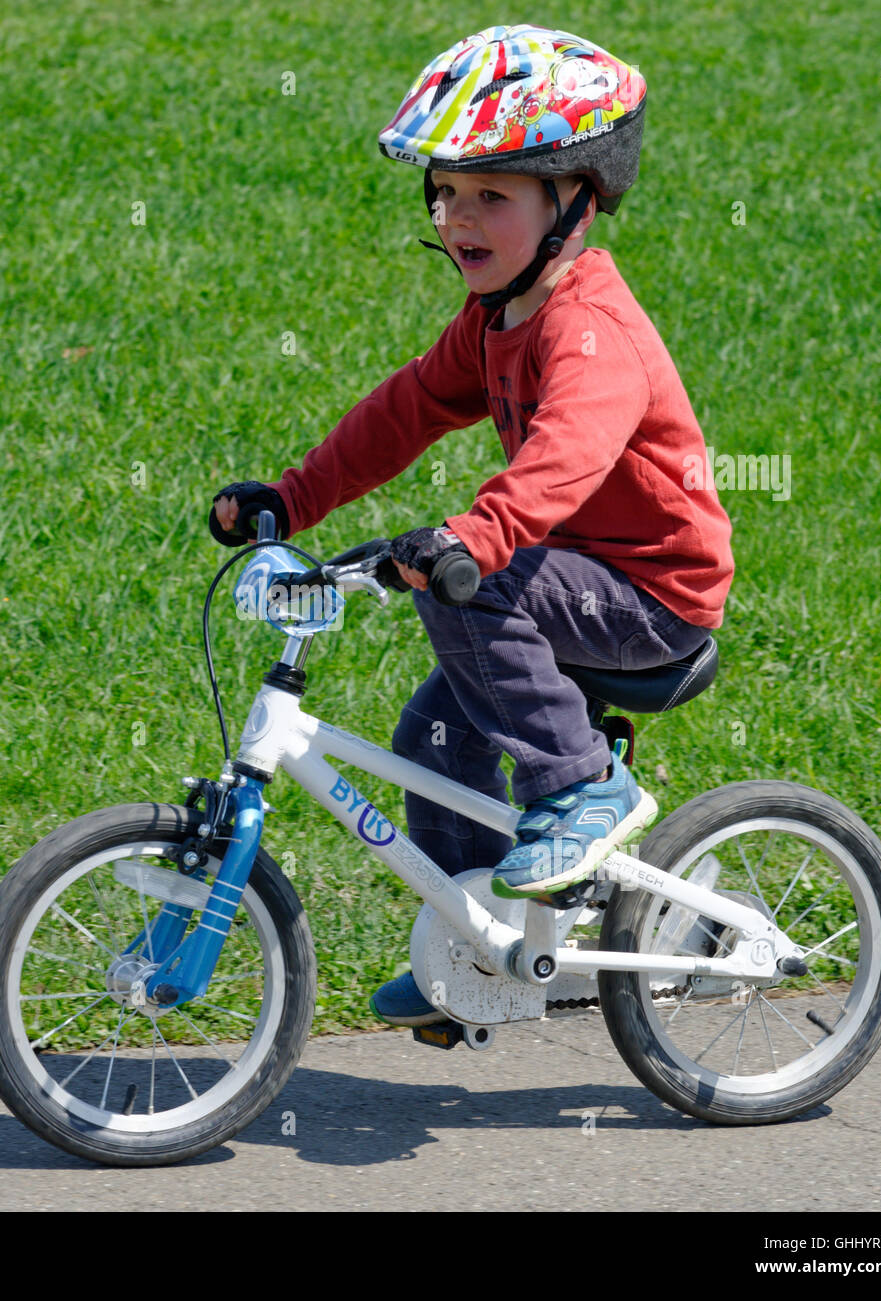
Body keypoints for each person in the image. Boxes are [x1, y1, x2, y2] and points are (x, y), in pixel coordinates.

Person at [208, 24, 733, 1026]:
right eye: (445, 191)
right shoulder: (496, 317)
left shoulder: (591, 332)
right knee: (436, 730)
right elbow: (403, 412)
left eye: (491, 194)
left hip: (651, 597)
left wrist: (476, 539)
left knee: (479, 587)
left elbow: (565, 457)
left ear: (571, 201)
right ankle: (483, 937)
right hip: (570, 579)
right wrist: (292, 499)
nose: (457, 217)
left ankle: (582, 789)